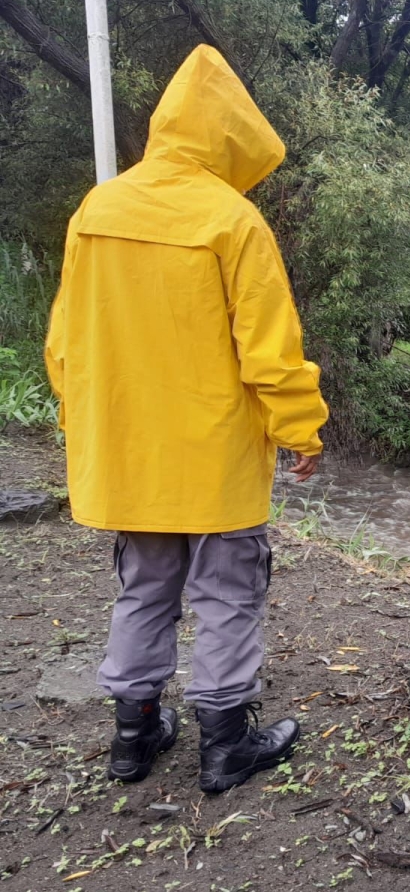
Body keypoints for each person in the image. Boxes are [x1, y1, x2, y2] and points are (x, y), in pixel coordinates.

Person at [44, 45, 328, 793]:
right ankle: (226, 745)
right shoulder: (233, 220)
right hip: (216, 456)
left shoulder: (96, 210)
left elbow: (64, 343)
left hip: (131, 451)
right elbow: (270, 352)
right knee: (229, 591)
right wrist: (300, 429)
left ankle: (133, 739)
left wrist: (86, 422)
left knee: (143, 588)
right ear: (230, 139)